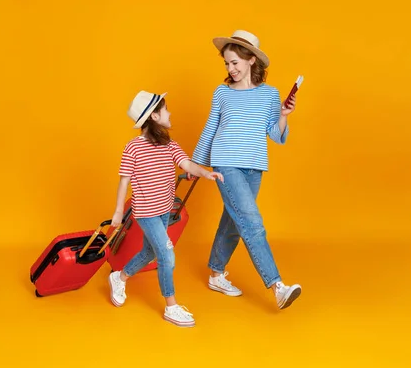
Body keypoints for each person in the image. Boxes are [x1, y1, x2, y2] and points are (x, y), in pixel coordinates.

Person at [191, 30, 302, 310]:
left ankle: (216, 273)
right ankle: (277, 286)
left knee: (234, 222)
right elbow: (210, 129)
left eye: (235, 63)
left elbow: (274, 136)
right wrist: (195, 164)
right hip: (226, 162)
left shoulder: (270, 95)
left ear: (252, 60)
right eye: (227, 64)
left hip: (254, 167)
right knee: (251, 223)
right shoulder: (222, 92)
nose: (231, 69)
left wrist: (284, 117)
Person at [108, 90, 224, 328]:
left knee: (149, 252)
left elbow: (186, 163)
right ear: (154, 116)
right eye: (165, 109)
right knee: (167, 256)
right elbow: (124, 181)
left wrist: (204, 172)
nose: (170, 113)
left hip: (165, 208)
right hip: (146, 212)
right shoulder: (133, 148)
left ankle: (119, 277)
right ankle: (171, 307)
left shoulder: (169, 144)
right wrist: (119, 212)